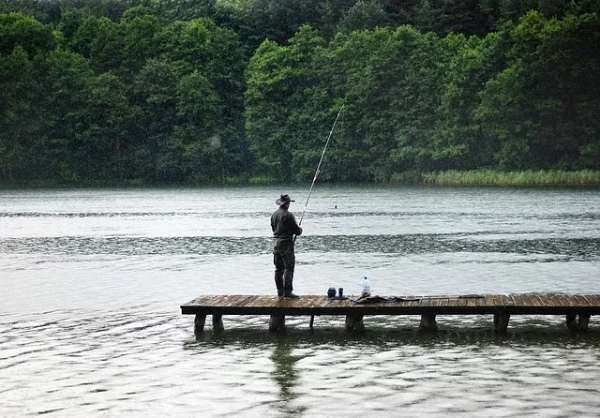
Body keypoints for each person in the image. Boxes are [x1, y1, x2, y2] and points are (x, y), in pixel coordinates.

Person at [271, 194, 302, 298]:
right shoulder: (288, 215)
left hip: (276, 244)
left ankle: (280, 292)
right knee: (289, 268)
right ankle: (288, 292)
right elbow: (296, 231)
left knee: (278, 268)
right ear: (287, 204)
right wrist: (300, 229)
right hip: (286, 244)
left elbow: (274, 229)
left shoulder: (274, 214)